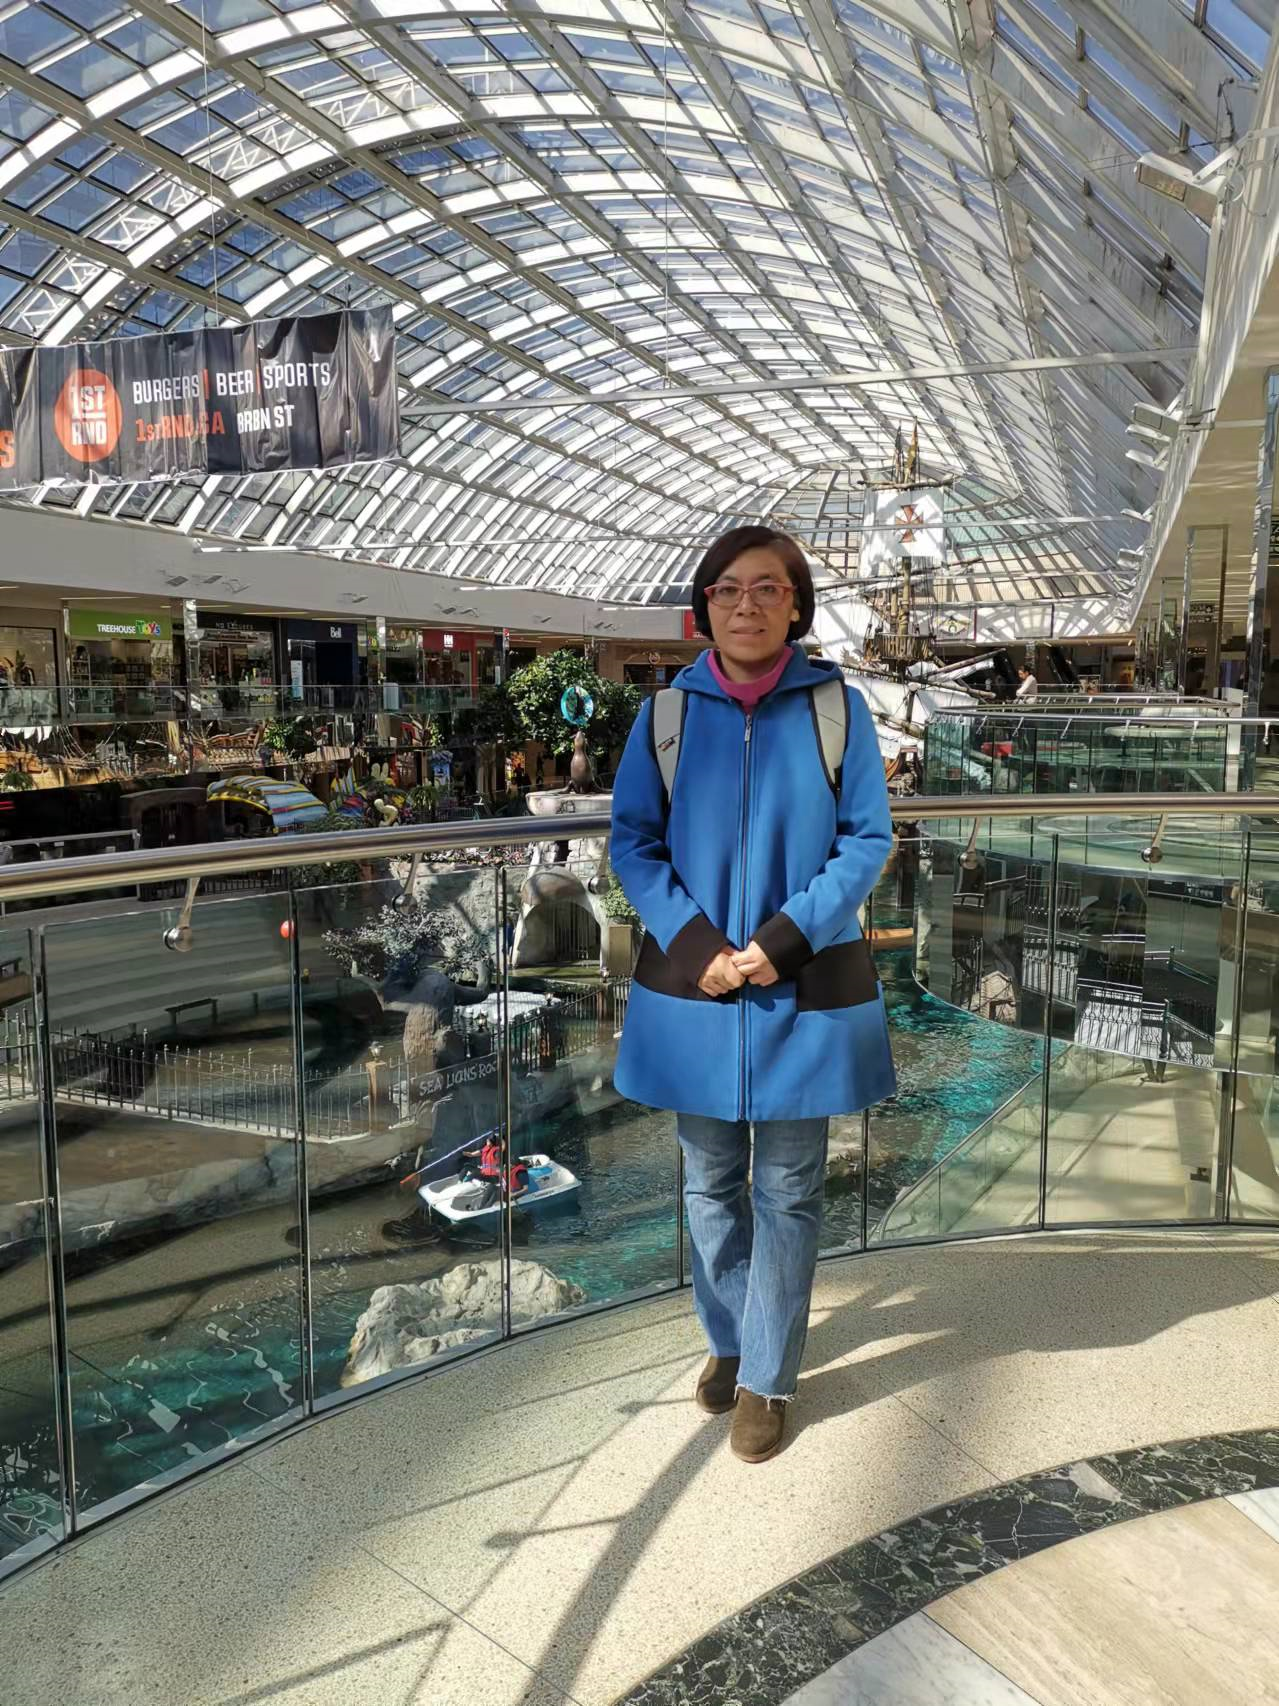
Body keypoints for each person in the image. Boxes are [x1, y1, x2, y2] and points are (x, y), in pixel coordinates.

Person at [610, 524, 894, 1465]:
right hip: (694, 986)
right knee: (707, 1186)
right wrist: (698, 946)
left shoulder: (835, 710)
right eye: (727, 589)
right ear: (704, 606)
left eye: (767, 588)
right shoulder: (664, 717)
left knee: (788, 1189)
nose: (746, 604)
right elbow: (632, 844)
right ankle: (731, 1337)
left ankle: (767, 1377)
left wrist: (778, 943)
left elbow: (865, 839)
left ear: (795, 606)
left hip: (800, 983)